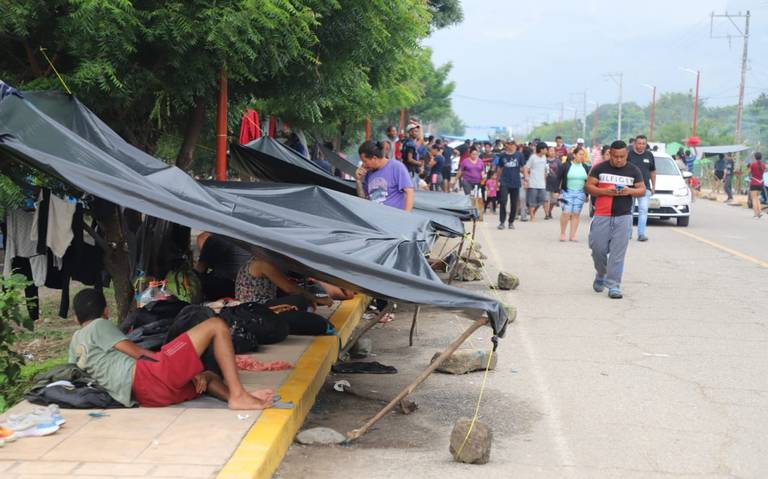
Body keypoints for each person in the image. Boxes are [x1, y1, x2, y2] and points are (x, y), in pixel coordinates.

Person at [68, 289, 273, 410]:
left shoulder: (76, 341)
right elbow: (137, 352)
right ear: (105, 311)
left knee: (206, 376)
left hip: (145, 396)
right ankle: (238, 395)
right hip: (146, 376)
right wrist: (168, 360)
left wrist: (187, 371)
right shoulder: (98, 325)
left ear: (76, 318)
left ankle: (234, 397)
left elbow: (75, 371)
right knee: (216, 326)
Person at [585, 140, 646, 299]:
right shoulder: (600, 168)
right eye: (615, 156)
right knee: (598, 249)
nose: (619, 159)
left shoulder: (633, 170)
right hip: (602, 214)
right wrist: (605, 191)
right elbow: (589, 187)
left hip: (623, 216)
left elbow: (642, 190)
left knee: (618, 253)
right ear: (610, 154)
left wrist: (629, 191)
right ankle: (601, 273)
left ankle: (613, 285)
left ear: (626, 154)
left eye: (622, 156)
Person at [235, 257, 334, 309]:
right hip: (256, 308)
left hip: (256, 305)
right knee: (300, 300)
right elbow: (289, 288)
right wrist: (316, 299)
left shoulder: (255, 262)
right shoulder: (262, 264)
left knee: (303, 296)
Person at [355, 140, 414, 211]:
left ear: (374, 158)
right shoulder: (369, 173)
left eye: (365, 161)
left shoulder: (396, 167)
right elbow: (363, 199)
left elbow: (409, 192)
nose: (363, 165)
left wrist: (406, 216)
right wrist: (358, 180)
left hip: (394, 219)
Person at [195, 233, 252, 301]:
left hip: (222, 286)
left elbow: (200, 268)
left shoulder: (216, 238)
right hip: (245, 286)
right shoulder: (249, 237)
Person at [557, 146, 590, 242]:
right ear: (574, 155)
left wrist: (587, 195)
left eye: (583, 155)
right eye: (580, 154)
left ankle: (573, 235)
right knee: (566, 212)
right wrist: (556, 191)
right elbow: (558, 178)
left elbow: (587, 181)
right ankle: (563, 233)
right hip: (567, 192)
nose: (582, 157)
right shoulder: (566, 165)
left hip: (580, 193)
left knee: (576, 214)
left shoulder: (585, 167)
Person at [627, 134, 655, 242]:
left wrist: (653, 186)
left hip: (645, 188)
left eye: (643, 144)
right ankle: (628, 233)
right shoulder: (629, 155)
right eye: (639, 143)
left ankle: (641, 234)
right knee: (629, 211)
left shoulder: (649, 155)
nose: (641, 145)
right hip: (630, 188)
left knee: (643, 210)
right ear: (635, 143)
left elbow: (653, 171)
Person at [495, 141, 523, 229]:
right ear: (507, 145)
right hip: (504, 181)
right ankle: (502, 222)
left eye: (513, 144)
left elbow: (524, 167)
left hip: (515, 182)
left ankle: (511, 222)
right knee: (503, 201)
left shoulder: (519, 155)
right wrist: (497, 181)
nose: (511, 146)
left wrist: (526, 177)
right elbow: (499, 168)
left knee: (514, 203)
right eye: (509, 144)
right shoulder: (502, 155)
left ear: (515, 145)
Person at [523, 142, 549, 221]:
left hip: (542, 183)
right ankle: (532, 216)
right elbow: (526, 168)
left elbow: (544, 170)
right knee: (532, 201)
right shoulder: (533, 157)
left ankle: (533, 213)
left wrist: (545, 179)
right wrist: (527, 179)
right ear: (541, 149)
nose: (546, 150)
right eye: (545, 149)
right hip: (533, 182)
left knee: (542, 200)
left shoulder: (544, 157)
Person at [544, 146, 560, 220]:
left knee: (554, 200)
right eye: (550, 150)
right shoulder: (544, 160)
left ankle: (549, 211)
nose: (552, 152)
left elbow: (561, 172)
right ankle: (546, 214)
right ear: (547, 152)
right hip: (545, 182)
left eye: (553, 151)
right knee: (546, 199)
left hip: (555, 183)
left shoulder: (558, 161)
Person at [749, 152, 765, 218]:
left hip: (754, 183)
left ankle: (756, 214)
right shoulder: (763, 165)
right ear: (761, 157)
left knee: (754, 199)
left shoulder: (753, 164)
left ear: (755, 157)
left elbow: (749, 172)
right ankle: (759, 212)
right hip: (761, 183)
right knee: (757, 198)